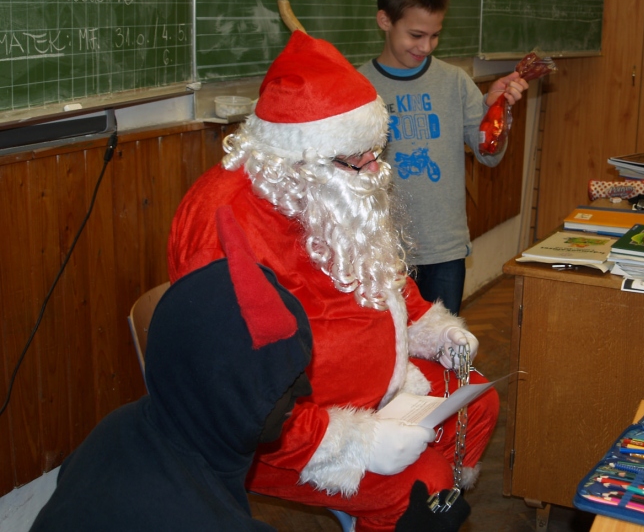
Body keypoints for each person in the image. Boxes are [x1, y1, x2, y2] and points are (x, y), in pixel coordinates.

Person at [167, 29, 497, 532]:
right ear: (301, 157)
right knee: (421, 491)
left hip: (377, 386)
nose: (374, 169)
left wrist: (436, 331)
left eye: (375, 152)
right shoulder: (225, 224)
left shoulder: (335, 184)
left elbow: (384, 279)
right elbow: (236, 393)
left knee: (478, 400)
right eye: (358, 157)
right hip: (287, 433)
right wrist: (356, 442)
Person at [31, 207, 314, 532]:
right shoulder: (205, 521)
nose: (305, 389)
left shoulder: (119, 426)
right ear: (222, 394)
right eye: (282, 382)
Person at [358, 0, 529, 316]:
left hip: (444, 249)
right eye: (416, 35)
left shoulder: (455, 82)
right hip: (384, 253)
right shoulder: (359, 88)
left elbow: (490, 155)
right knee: (391, 344)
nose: (426, 46)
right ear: (385, 21)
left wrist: (497, 112)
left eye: (435, 35)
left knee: (442, 341)